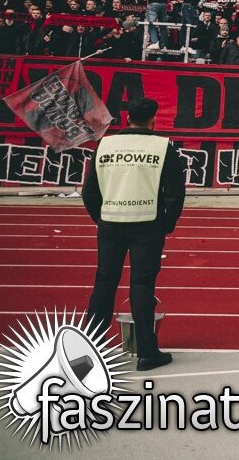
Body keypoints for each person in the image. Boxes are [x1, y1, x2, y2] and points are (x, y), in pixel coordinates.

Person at [83, 97, 186, 371]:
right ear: (153, 120)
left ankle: (86, 350)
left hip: (110, 222)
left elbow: (89, 190)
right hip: (147, 224)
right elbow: (175, 193)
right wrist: (167, 223)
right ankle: (147, 351)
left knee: (104, 283)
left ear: (127, 119)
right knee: (142, 285)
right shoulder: (162, 146)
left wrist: (101, 216)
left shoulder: (105, 144)